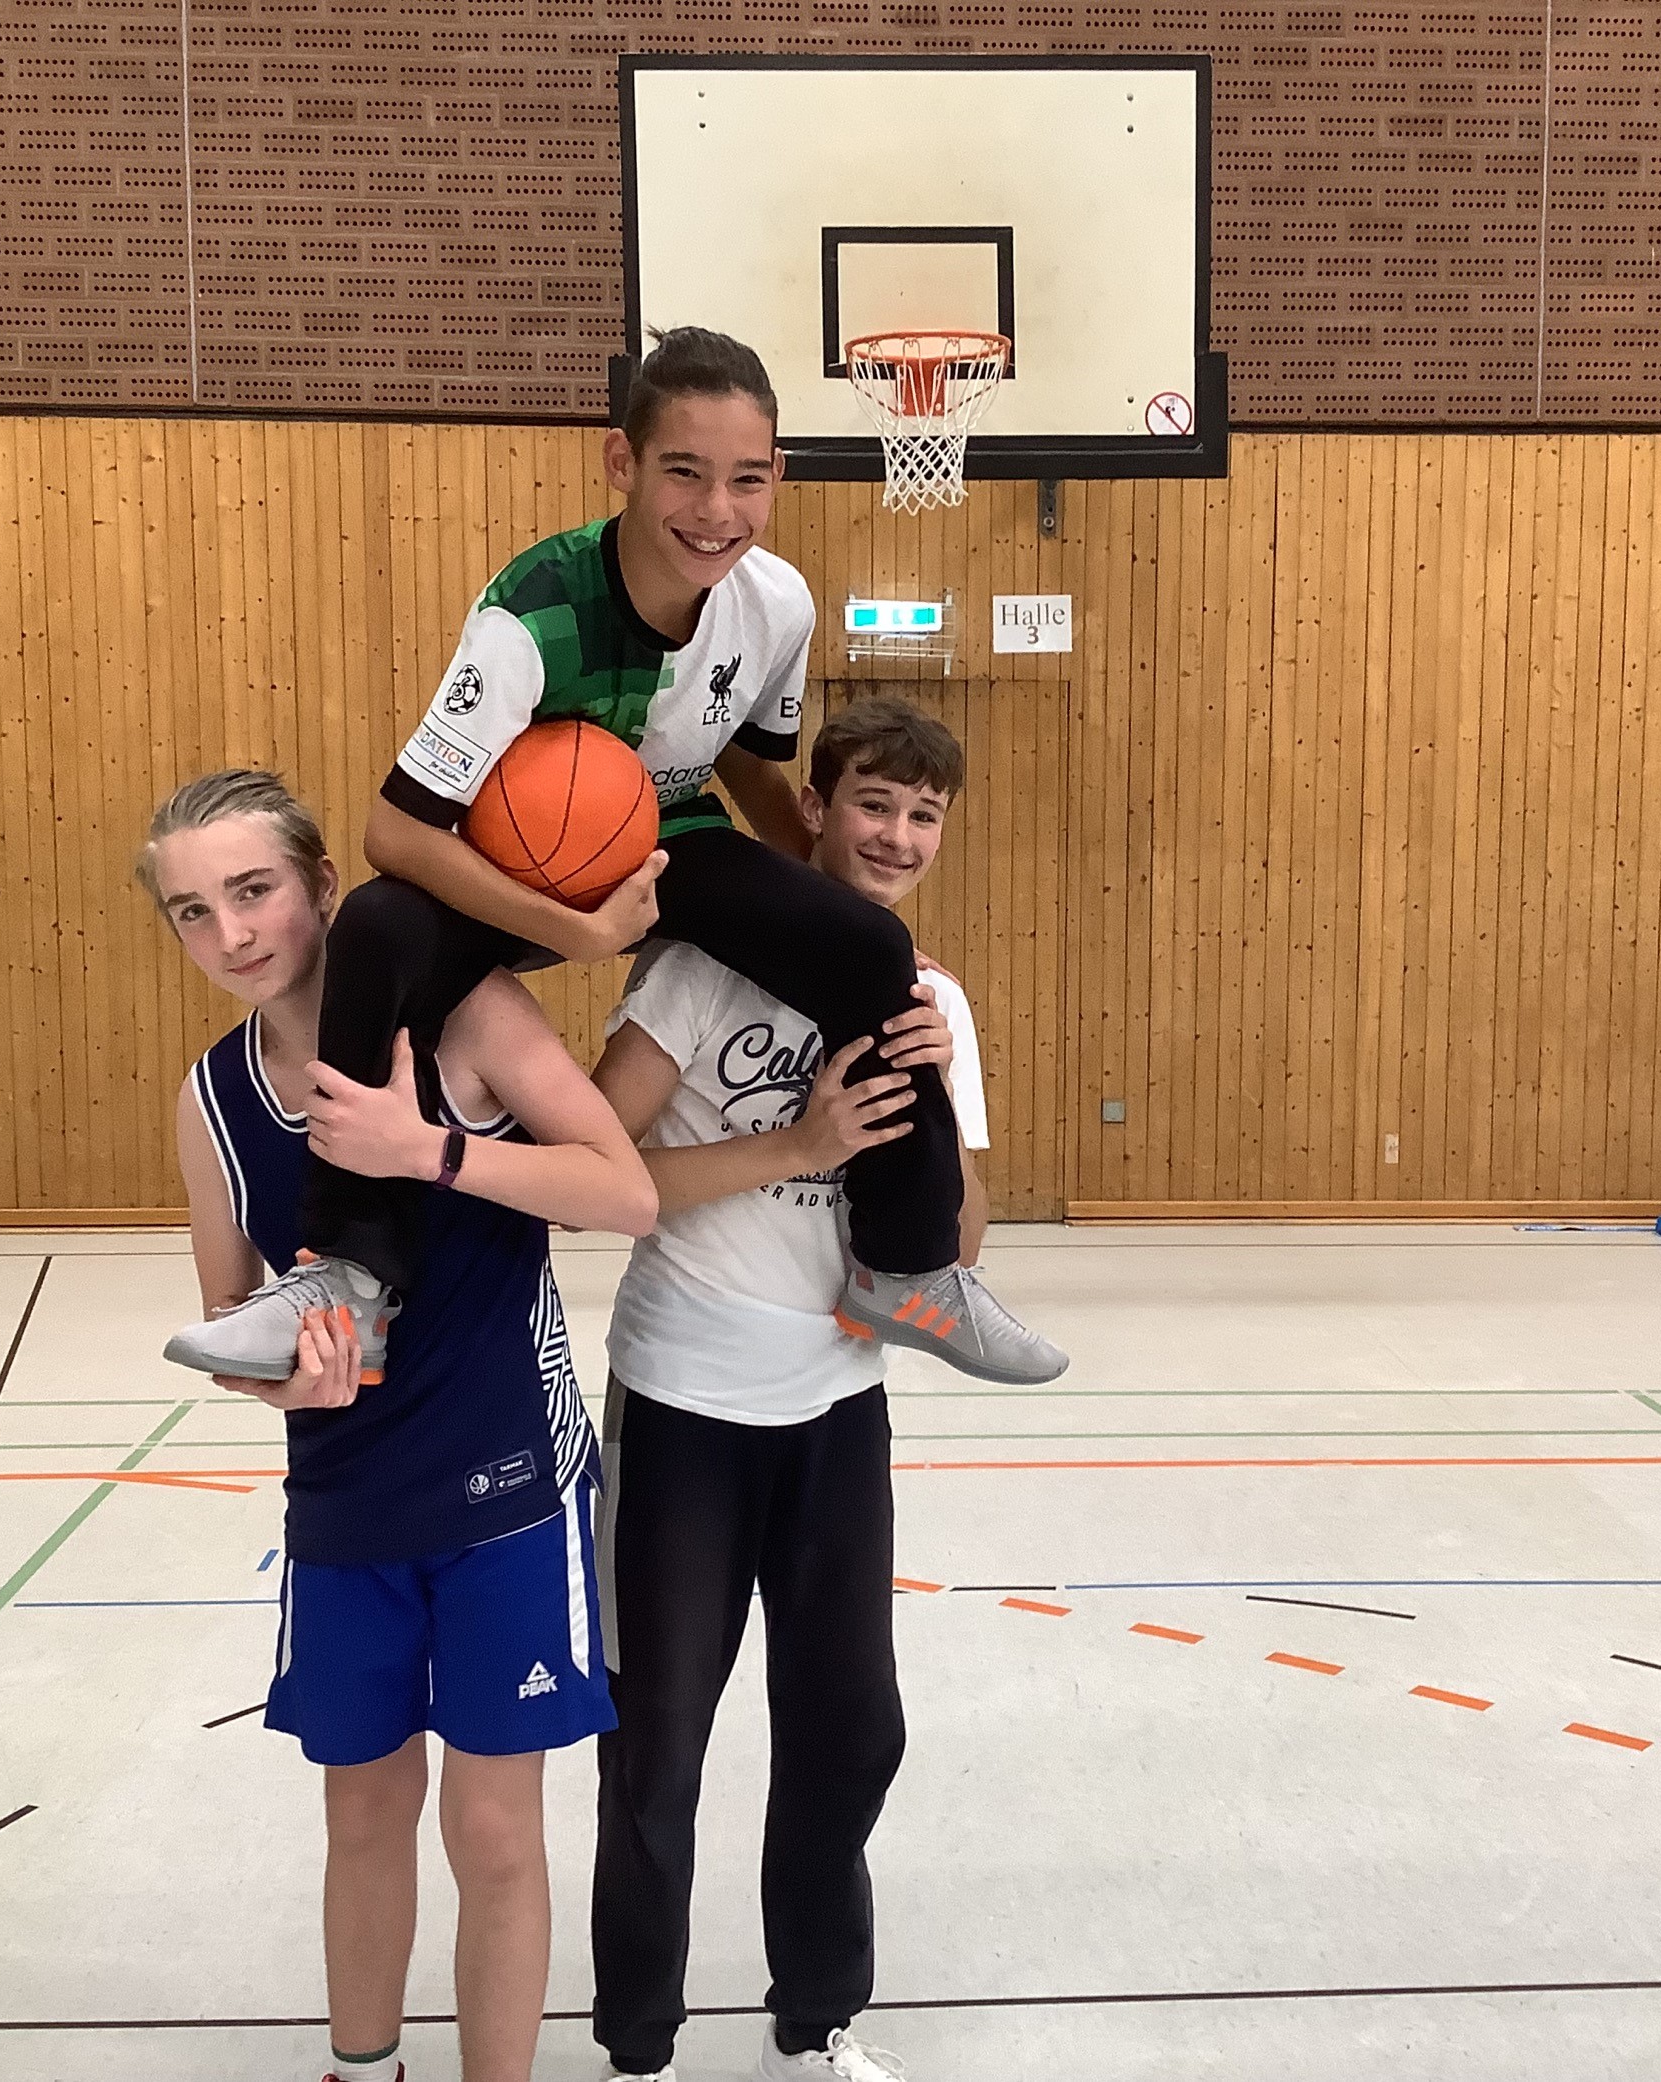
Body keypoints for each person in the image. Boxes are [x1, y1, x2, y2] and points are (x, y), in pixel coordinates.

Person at [161, 326, 1063, 1392]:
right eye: (684, 472)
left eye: (746, 479)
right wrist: (577, 933)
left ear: (777, 477)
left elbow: (753, 766)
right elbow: (394, 832)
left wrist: (843, 931)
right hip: (516, 865)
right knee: (376, 927)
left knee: (872, 949)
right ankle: (349, 1276)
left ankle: (905, 1268)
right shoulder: (531, 615)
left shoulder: (777, 603)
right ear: (621, 462)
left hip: (665, 841)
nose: (716, 509)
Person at [142, 767, 657, 2082]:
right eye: (194, 911)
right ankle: (361, 2069)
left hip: (510, 1490)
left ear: (323, 885)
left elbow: (625, 1192)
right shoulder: (212, 1101)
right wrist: (277, 1380)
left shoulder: (464, 1016)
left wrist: (428, 1150)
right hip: (346, 1500)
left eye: (254, 891)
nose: (232, 934)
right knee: (363, 1813)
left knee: (494, 1832)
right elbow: (231, 1312)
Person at [586, 699, 990, 2082]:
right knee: (657, 1748)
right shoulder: (703, 966)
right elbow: (593, 1177)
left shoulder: (930, 1000)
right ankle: (640, 2044)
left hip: (837, 1413)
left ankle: (815, 2022)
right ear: (812, 808)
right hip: (684, 1407)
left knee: (849, 1731)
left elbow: (958, 1249)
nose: (897, 836)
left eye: (924, 816)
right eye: (873, 802)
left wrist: (935, 1099)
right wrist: (794, 1144)